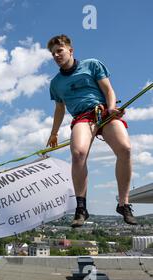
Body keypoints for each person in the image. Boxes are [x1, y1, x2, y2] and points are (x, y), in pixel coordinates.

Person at [45, 34, 137, 228]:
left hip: (103, 111)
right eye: (53, 54)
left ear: (70, 50)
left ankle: (124, 203)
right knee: (78, 153)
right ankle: (81, 207)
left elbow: (108, 90)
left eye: (59, 51)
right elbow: (59, 109)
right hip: (82, 117)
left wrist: (111, 108)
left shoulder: (92, 65)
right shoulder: (55, 83)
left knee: (125, 149)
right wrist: (53, 133)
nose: (56, 56)